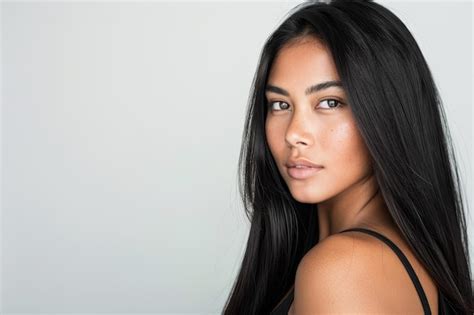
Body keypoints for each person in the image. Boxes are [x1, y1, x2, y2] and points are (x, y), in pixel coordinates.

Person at [222, 0, 473, 314]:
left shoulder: (340, 269)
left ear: (386, 114)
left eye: (329, 102)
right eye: (280, 105)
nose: (293, 133)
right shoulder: (399, 259)